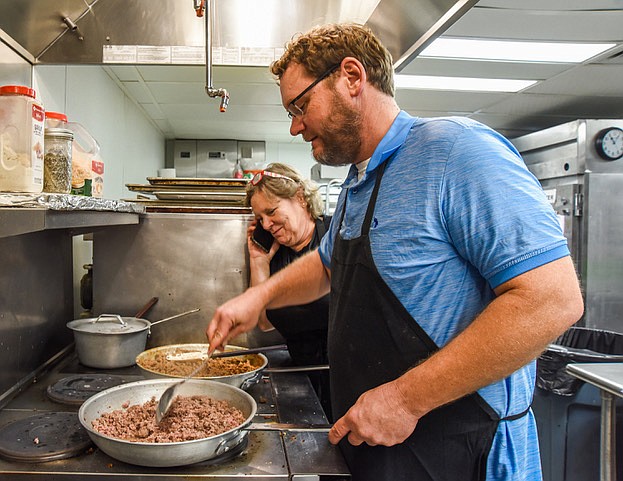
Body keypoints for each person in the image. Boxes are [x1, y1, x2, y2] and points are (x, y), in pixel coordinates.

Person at [207, 23, 584, 481]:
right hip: (378, 446)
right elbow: (328, 266)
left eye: (301, 105)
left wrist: (406, 399)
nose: (295, 125)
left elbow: (552, 299)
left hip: (462, 450)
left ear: (351, 76)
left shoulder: (458, 152)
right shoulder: (356, 181)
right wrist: (259, 297)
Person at [245, 162, 332, 419]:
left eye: (271, 212)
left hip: (346, 376)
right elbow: (263, 323)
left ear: (301, 198)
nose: (268, 224)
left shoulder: (336, 233)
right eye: (260, 219)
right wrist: (258, 261)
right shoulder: (278, 255)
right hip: (303, 377)